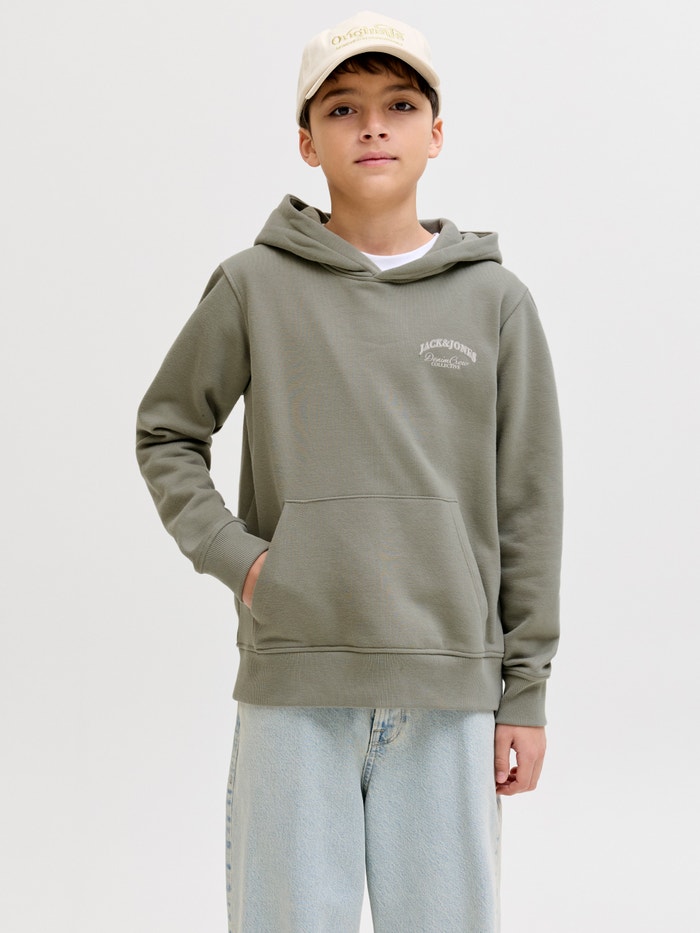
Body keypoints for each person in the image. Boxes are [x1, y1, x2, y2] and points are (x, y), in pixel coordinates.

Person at [135, 10, 563, 932]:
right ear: (307, 141)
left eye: (399, 104)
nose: (373, 126)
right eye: (342, 108)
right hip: (295, 686)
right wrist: (246, 562)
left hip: (449, 693)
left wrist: (524, 689)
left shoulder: (496, 301)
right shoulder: (253, 285)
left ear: (436, 133)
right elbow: (167, 431)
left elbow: (528, 504)